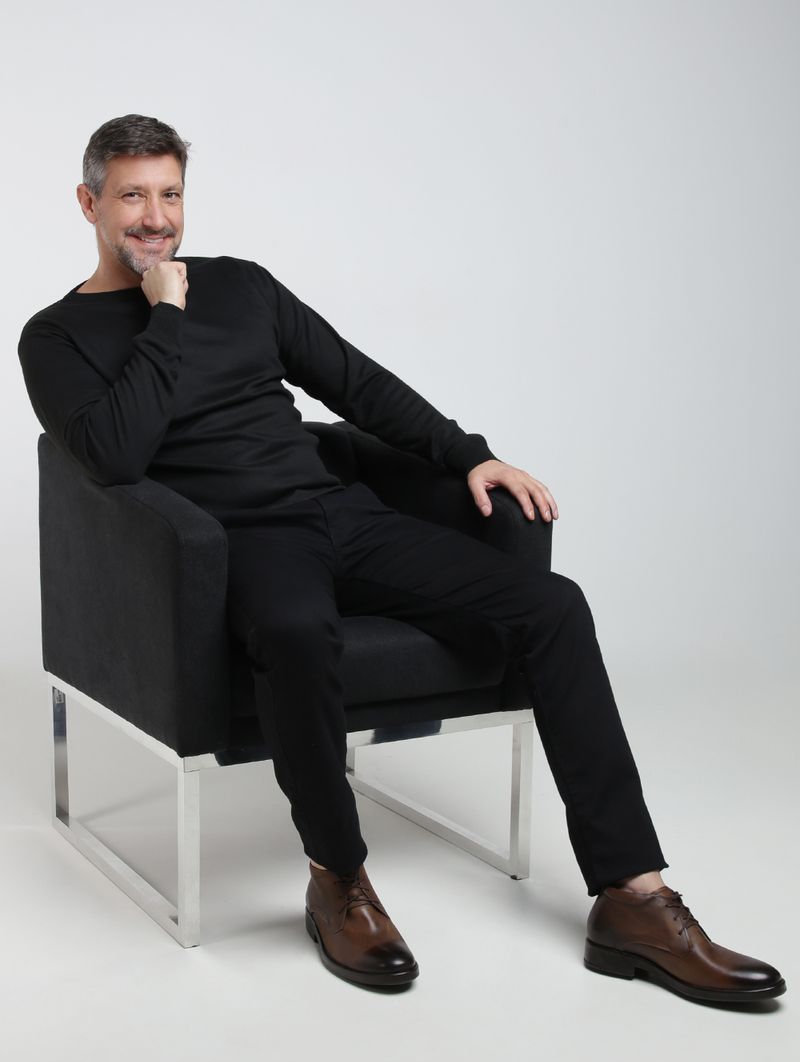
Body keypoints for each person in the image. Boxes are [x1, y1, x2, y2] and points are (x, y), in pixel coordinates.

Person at [18, 114, 785, 1003]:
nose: (156, 217)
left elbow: (354, 380)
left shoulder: (245, 286)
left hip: (338, 513)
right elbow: (114, 456)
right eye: (133, 196)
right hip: (239, 542)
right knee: (296, 632)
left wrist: (469, 455)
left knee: (554, 605)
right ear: (89, 204)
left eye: (171, 194)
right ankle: (338, 880)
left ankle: (633, 899)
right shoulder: (55, 337)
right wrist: (165, 315)